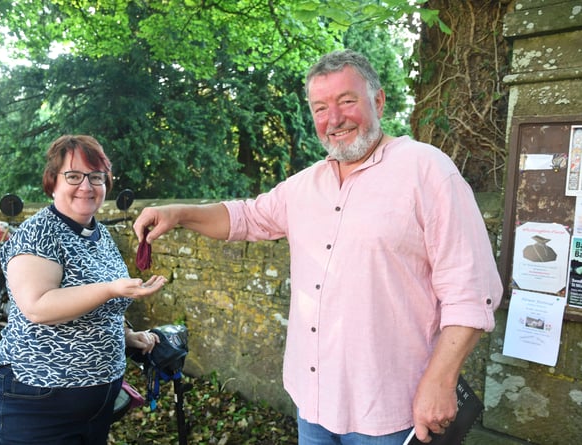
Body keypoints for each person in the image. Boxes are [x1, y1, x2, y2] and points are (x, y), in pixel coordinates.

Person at [133, 49, 503, 445]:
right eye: (320, 107)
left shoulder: (427, 170)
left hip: (392, 411)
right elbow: (246, 217)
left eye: (347, 101)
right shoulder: (305, 185)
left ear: (378, 101)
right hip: (312, 402)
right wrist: (178, 213)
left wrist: (441, 380)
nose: (334, 118)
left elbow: (471, 292)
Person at [0, 135, 167, 445]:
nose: (87, 186)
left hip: (96, 404)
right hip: (37, 405)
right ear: (52, 182)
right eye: (73, 176)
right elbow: (38, 306)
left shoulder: (98, 232)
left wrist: (124, 335)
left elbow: (92, 307)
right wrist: (109, 289)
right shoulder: (38, 232)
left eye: (96, 177)